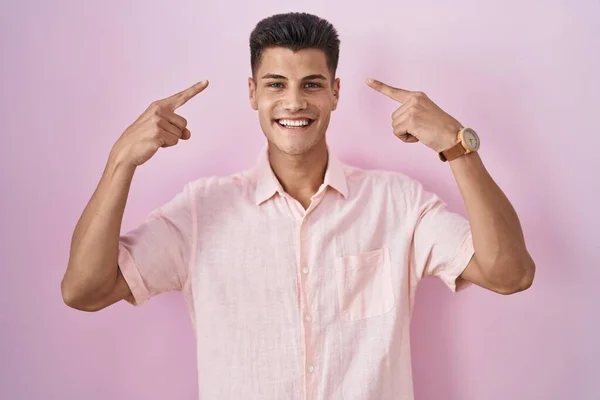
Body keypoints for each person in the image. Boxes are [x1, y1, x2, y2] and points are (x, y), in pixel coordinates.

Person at [61, 11, 535, 400]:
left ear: (334, 92)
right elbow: (84, 291)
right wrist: (121, 159)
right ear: (252, 93)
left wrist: (458, 146)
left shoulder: (398, 203)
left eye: (311, 84)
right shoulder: (200, 211)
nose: (294, 102)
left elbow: (510, 274)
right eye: (275, 84)